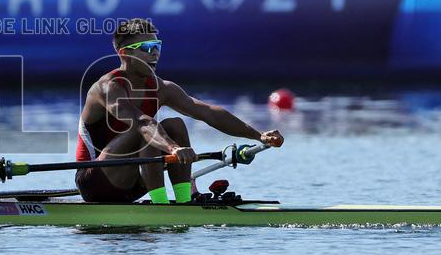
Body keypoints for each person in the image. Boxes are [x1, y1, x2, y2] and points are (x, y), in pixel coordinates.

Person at [75, 18, 284, 203]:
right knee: (147, 130)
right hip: (95, 182)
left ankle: (183, 201)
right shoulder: (107, 88)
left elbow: (209, 112)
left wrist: (259, 135)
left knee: (175, 124)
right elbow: (142, 123)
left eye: (157, 45)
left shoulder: (163, 88)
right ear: (124, 53)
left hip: (135, 183)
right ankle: (161, 205)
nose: (155, 52)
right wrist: (173, 148)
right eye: (146, 47)